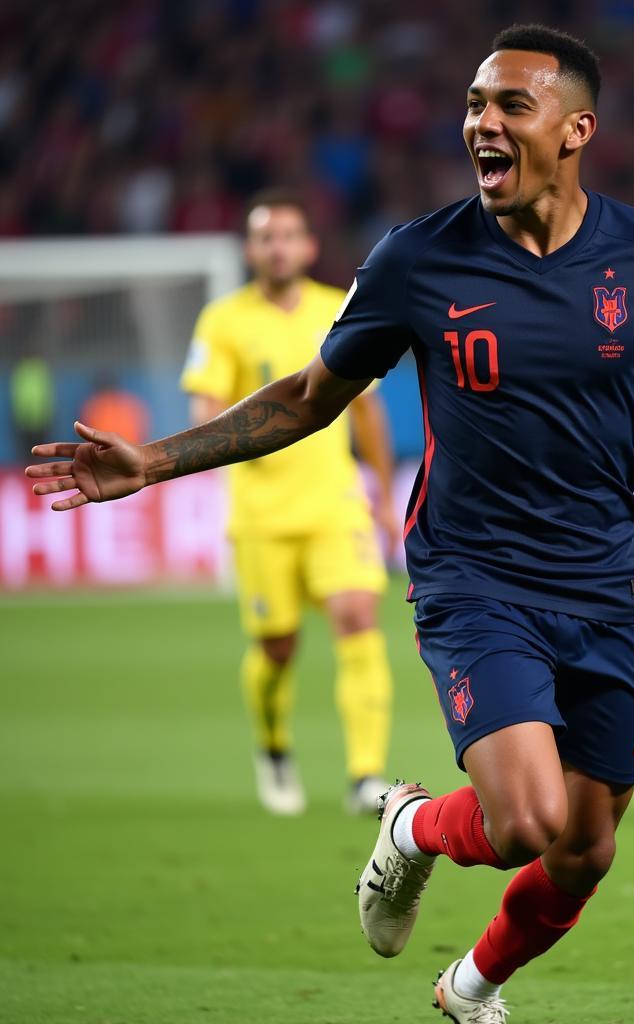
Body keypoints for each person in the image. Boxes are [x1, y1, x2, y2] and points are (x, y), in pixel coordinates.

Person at [27, 25, 634, 1024]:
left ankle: (470, 985)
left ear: (576, 129)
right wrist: (156, 458)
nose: (481, 124)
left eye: (509, 106)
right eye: (472, 105)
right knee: (530, 818)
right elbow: (309, 396)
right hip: (472, 575)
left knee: (586, 847)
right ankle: (410, 826)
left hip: (608, 583)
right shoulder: (417, 259)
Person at [180, 188, 401, 815]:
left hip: (334, 505)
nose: (277, 247)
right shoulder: (223, 322)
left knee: (359, 618)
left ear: (309, 246)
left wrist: (384, 498)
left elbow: (367, 411)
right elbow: (204, 408)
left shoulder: (340, 310)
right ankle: (273, 745)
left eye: (288, 235)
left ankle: (365, 776)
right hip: (262, 516)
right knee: (277, 648)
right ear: (251, 250)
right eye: (265, 236)